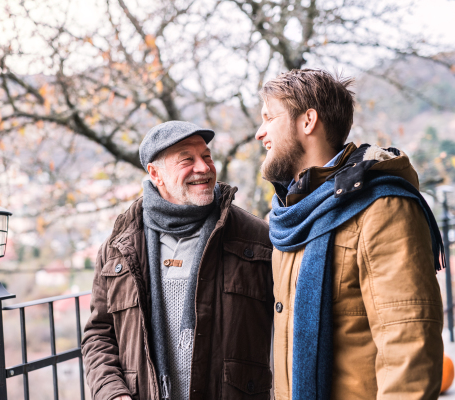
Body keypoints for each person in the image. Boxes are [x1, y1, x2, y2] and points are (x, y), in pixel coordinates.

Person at [256, 69, 445, 399]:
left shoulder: (381, 207)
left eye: (269, 118)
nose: (260, 133)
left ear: (308, 121)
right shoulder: (293, 217)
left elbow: (408, 348)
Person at [82, 121, 274, 400]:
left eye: (206, 156)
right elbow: (99, 334)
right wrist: (112, 393)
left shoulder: (255, 238)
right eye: (188, 160)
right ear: (155, 174)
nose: (204, 167)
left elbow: (290, 329)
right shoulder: (119, 247)